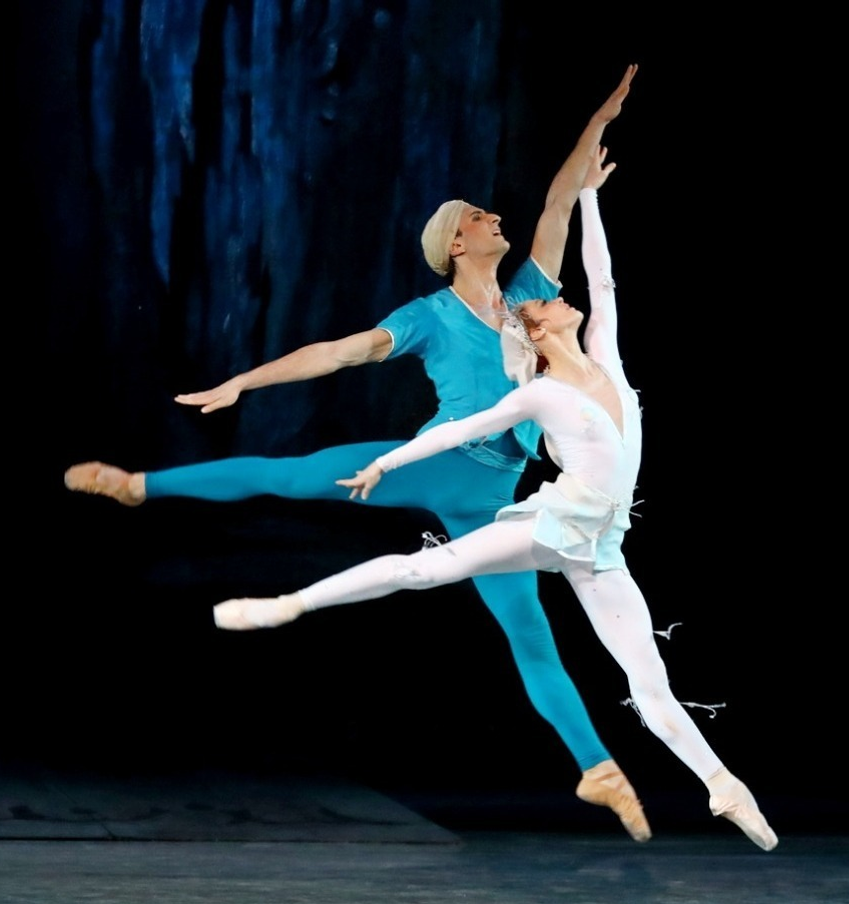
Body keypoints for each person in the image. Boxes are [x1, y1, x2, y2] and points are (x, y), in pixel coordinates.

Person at [64, 66, 650, 842]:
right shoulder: (429, 315)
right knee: (289, 476)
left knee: (528, 632)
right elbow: (338, 353)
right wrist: (244, 381)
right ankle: (141, 485)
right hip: (435, 461)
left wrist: (598, 121)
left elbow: (558, 203)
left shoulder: (527, 301)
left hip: (497, 495)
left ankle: (596, 768)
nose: (494, 216)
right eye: (480, 216)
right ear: (456, 242)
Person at [211, 154, 779, 851]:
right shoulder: (537, 394)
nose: (549, 296)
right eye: (540, 305)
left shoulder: (604, 354)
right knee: (424, 570)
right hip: (550, 525)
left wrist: (591, 197)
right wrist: (385, 462)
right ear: (537, 332)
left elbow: (601, 275)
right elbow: (457, 430)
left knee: (648, 679)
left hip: (603, 549)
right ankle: (287, 605)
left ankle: (724, 786)